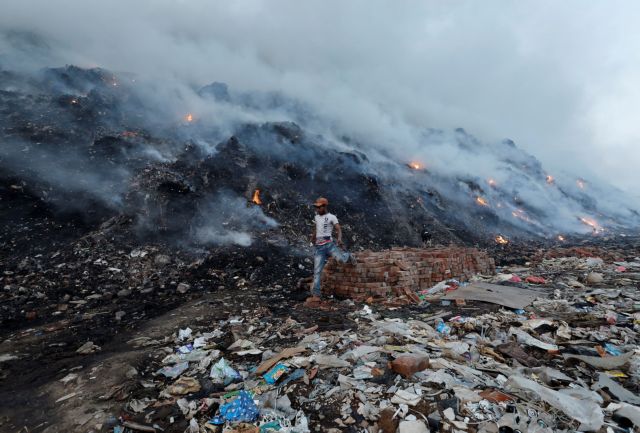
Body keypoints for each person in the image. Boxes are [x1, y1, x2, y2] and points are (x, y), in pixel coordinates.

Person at [307, 197, 356, 305]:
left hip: (329, 245)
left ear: (324, 206)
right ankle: (316, 295)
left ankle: (348, 255)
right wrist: (312, 239)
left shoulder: (331, 217)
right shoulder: (316, 217)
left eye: (319, 207)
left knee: (342, 260)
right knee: (317, 271)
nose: (317, 209)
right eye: (316, 207)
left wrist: (339, 239)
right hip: (319, 248)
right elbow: (316, 229)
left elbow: (338, 229)